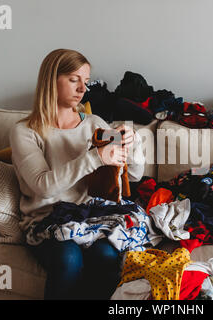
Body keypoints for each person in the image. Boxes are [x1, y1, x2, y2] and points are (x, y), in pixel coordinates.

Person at [9, 48, 145, 300]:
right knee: (68, 257)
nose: (83, 88)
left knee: (107, 254)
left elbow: (134, 176)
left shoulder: (94, 124)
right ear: (51, 80)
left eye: (86, 81)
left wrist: (133, 144)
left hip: (91, 216)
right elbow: (44, 186)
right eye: (74, 80)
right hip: (47, 220)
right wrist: (95, 158)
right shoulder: (25, 131)